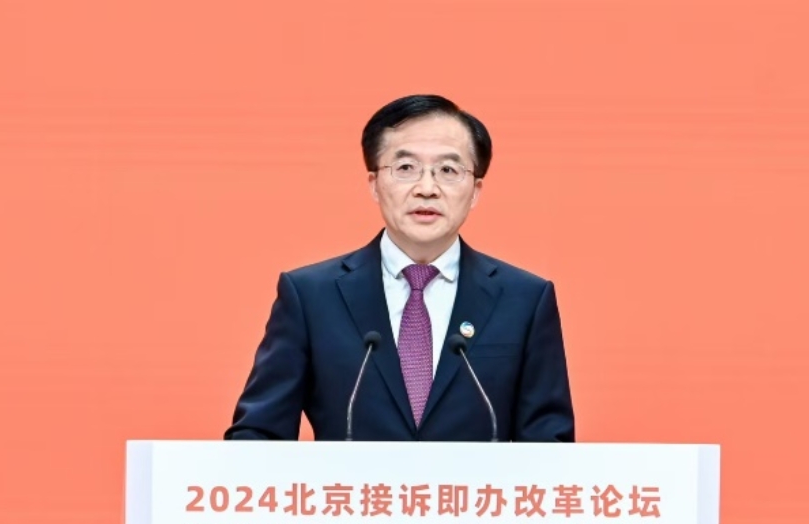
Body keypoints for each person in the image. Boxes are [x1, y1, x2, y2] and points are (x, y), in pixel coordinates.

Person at [223, 94, 574, 442]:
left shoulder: (525, 300)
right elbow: (257, 434)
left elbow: (549, 445)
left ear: (475, 191)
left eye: (448, 170)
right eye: (406, 168)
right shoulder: (310, 296)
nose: (427, 189)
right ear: (375, 184)